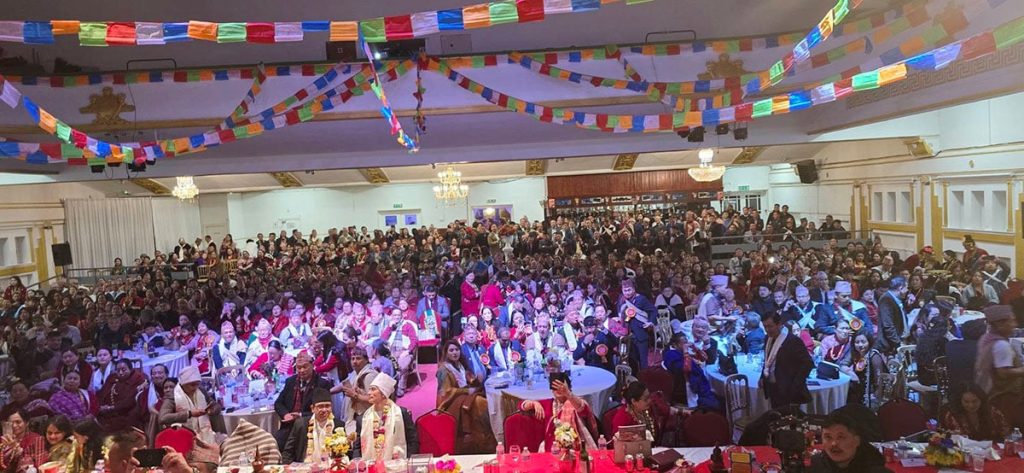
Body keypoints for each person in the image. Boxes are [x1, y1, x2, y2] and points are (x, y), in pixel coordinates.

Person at [436, 339, 496, 454]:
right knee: (479, 402)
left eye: (457, 350)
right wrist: (467, 391)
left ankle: (485, 436)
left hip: (464, 396)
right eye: (451, 350)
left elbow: (470, 380)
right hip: (451, 401)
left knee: (483, 401)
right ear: (446, 353)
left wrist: (476, 380)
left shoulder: (460, 365)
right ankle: (484, 439)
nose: (454, 353)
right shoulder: (443, 369)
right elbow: (446, 392)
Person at [519, 375, 598, 452]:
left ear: (569, 387)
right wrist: (533, 403)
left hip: (574, 450)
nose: (558, 389)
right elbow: (521, 406)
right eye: (555, 387)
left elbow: (583, 409)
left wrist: (567, 393)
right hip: (550, 450)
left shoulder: (575, 403)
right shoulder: (548, 404)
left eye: (561, 386)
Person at [273, 353, 332, 449]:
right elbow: (278, 403)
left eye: (305, 367)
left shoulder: (322, 383)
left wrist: (301, 415)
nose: (302, 370)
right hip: (289, 426)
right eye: (299, 368)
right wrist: (286, 415)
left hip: (311, 425)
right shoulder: (290, 381)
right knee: (276, 444)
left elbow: (324, 410)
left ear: (312, 365)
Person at [760, 311, 813, 409]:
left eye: (770, 326)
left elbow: (808, 363)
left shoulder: (793, 341)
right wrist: (762, 377)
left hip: (789, 390)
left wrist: (795, 385)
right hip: (773, 388)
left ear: (779, 324)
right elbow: (768, 360)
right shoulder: (768, 338)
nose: (767, 330)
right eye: (765, 326)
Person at [808, 411, 892, 472]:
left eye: (840, 437)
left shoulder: (875, 469)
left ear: (857, 441)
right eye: (828, 437)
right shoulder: (816, 465)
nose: (834, 443)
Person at [159, 366, 218, 445]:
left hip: (205, 436)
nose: (195, 388)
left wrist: (212, 410)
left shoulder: (200, 391)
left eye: (197, 384)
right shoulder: (173, 396)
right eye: (192, 385)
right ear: (183, 384)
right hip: (183, 437)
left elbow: (215, 405)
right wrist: (189, 414)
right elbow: (162, 418)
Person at [359, 374, 413, 460]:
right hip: (370, 464)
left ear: (383, 394)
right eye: (369, 389)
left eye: (373, 389)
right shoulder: (363, 418)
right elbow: (357, 447)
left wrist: (408, 461)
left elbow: (412, 440)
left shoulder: (401, 413)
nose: (369, 393)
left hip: (397, 463)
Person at [975, 305, 1024, 398]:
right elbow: (1003, 373)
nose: (1015, 325)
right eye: (1011, 321)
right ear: (1000, 325)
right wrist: (1022, 370)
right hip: (1003, 395)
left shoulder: (986, 338)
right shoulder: (1001, 345)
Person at [281, 389, 338, 464]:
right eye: (320, 406)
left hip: (331, 467)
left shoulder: (338, 426)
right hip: (305, 467)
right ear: (312, 409)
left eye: (327, 406)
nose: (324, 410)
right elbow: (288, 452)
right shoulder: (301, 424)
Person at [940, 385, 1010, 441]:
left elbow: (1006, 434)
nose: (971, 405)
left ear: (981, 400)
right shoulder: (952, 415)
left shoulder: (992, 412)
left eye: (975, 401)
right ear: (960, 401)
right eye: (966, 402)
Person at [96, 359, 145, 434]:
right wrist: (100, 406)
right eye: (118, 370)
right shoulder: (112, 377)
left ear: (131, 369)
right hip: (106, 412)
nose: (120, 373)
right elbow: (102, 393)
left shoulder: (137, 379)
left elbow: (130, 400)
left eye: (124, 370)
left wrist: (111, 408)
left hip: (125, 413)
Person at [618, 279, 655, 370]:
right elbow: (619, 313)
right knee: (630, 360)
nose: (627, 293)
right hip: (626, 334)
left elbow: (653, 310)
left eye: (629, 290)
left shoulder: (641, 299)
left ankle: (644, 377)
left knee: (643, 361)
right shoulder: (621, 299)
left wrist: (651, 322)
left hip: (640, 333)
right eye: (625, 290)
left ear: (634, 289)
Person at [842, 332, 886, 408]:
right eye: (857, 342)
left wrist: (875, 397)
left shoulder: (874, 356)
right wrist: (851, 373)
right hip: (858, 388)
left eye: (863, 342)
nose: (860, 345)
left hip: (870, 392)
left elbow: (879, 381)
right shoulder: (855, 353)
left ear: (869, 342)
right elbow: (843, 365)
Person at [339, 347, 377, 433]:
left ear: (366, 360)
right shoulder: (356, 373)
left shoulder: (369, 376)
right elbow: (342, 385)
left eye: (358, 358)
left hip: (367, 417)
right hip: (357, 416)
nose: (354, 361)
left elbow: (374, 399)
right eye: (352, 359)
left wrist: (355, 395)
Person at [876, 277, 910, 356]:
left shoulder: (896, 299)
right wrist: (897, 343)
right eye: (906, 287)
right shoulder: (886, 299)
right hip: (891, 345)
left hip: (900, 341)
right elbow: (888, 325)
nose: (907, 290)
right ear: (900, 288)